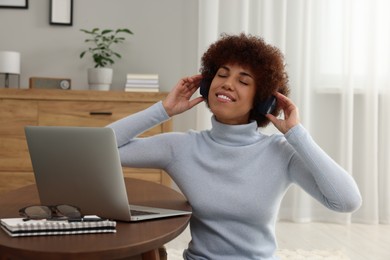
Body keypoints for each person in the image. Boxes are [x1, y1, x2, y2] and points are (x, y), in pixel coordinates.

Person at [108, 33, 362, 260]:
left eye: (243, 80)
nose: (227, 83)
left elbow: (346, 201)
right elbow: (101, 150)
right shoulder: (181, 147)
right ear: (207, 85)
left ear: (261, 100)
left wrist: (297, 135)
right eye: (222, 74)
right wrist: (163, 110)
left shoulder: (281, 152)